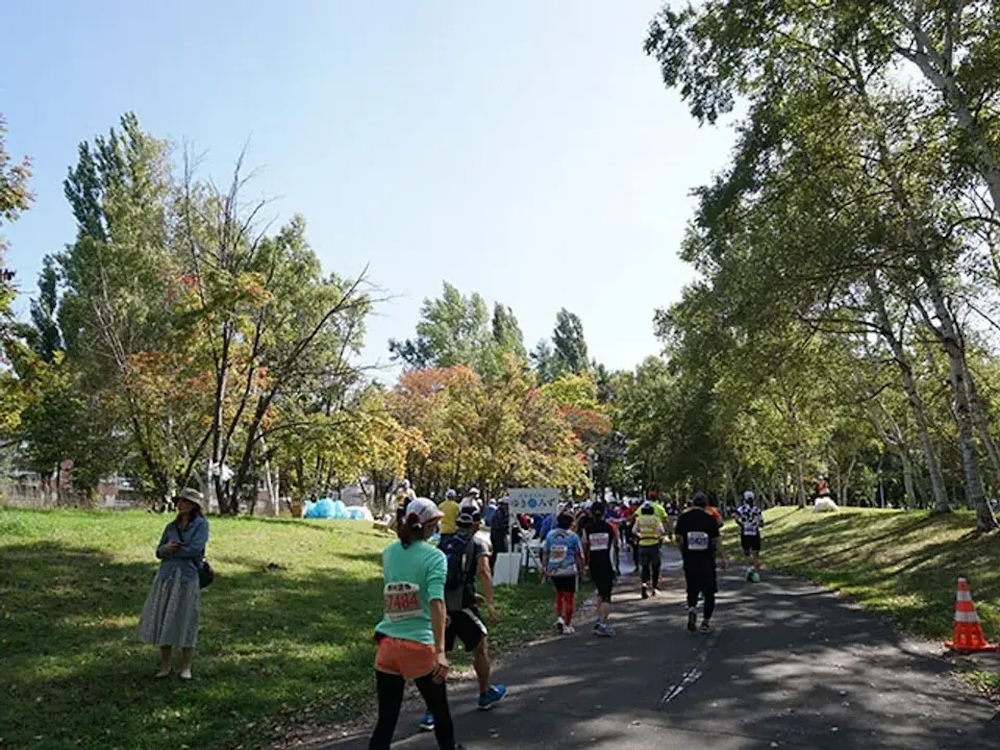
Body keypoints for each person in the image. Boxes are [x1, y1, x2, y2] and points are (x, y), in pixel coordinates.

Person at [369, 498, 465, 750]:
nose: (437, 527)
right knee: (440, 713)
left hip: (387, 644)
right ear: (429, 524)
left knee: (386, 722)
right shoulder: (435, 557)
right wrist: (441, 652)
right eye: (435, 522)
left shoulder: (389, 553)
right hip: (419, 646)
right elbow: (435, 601)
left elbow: (400, 593)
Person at [419, 506, 506, 732]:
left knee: (440, 654)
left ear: (457, 523)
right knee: (480, 645)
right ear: (477, 524)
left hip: (442, 606)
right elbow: (484, 572)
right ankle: (485, 693)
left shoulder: (444, 543)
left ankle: (430, 710)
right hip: (463, 607)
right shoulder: (479, 544)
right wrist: (490, 602)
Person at [137, 488, 210, 680]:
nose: (180, 504)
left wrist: (173, 551)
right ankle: (165, 665)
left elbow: (195, 549)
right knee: (164, 618)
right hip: (166, 577)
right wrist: (166, 549)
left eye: (185, 501)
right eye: (179, 501)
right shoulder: (171, 527)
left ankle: (186, 666)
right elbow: (158, 552)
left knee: (187, 618)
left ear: (194, 505)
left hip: (187, 577)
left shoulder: (201, 525)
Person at [674, 492, 727, 634]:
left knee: (692, 587)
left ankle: (692, 608)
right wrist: (722, 557)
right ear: (706, 505)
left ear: (692, 504)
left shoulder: (684, 518)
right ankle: (705, 622)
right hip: (707, 561)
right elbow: (717, 540)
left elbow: (678, 538)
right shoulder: (710, 520)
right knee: (709, 592)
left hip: (690, 560)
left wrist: (683, 551)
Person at [541, 511, 585, 634]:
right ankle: (567, 624)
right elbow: (579, 555)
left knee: (559, 595)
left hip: (554, 570)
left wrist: (544, 567)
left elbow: (545, 552)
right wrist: (582, 569)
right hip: (569, 570)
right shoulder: (573, 536)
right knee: (569, 598)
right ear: (571, 523)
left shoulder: (550, 535)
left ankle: (559, 617)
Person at [581, 501, 619, 636]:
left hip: (593, 563)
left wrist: (584, 564)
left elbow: (584, 545)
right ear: (604, 512)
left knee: (599, 592)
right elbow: (616, 545)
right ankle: (602, 624)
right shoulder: (610, 527)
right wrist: (617, 565)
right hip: (607, 563)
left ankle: (598, 620)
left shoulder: (587, 528)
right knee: (607, 596)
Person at [632, 501, 665, 599]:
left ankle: (644, 584)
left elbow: (634, 530)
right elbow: (662, 530)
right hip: (654, 544)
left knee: (644, 566)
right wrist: (658, 537)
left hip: (642, 545)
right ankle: (654, 587)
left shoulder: (639, 519)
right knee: (655, 566)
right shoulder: (656, 519)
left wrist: (640, 535)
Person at [736, 491, 764, 578]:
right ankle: (756, 572)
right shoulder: (757, 509)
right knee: (756, 553)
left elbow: (737, 519)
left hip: (745, 532)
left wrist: (743, 525)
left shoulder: (741, 509)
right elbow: (762, 522)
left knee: (746, 552)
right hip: (755, 532)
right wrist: (756, 524)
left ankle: (750, 568)